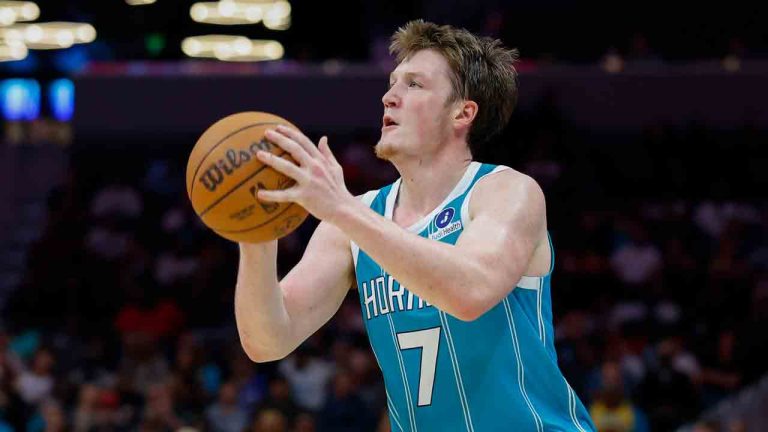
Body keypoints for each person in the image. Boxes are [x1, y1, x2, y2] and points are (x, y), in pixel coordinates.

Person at [236, 20, 596, 431]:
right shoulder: (356, 217)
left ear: (463, 112)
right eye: (392, 84)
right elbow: (267, 340)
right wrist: (255, 237)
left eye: (414, 85)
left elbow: (470, 291)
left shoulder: (505, 191)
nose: (389, 97)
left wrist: (340, 208)